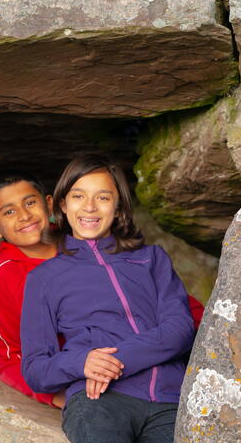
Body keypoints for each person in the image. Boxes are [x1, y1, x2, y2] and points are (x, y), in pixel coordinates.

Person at [21, 154, 196, 442]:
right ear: (62, 205)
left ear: (118, 208)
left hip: (171, 401)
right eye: (78, 196)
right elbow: (36, 369)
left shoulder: (152, 259)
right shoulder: (44, 279)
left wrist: (114, 362)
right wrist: (82, 363)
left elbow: (179, 329)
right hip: (98, 402)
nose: (89, 207)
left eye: (103, 198)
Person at [0, 170, 65, 408]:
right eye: (9, 211)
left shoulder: (82, 243)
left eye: (30, 202)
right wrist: (55, 396)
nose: (25, 215)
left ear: (48, 205)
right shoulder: (2, 276)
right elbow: (7, 358)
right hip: (70, 374)